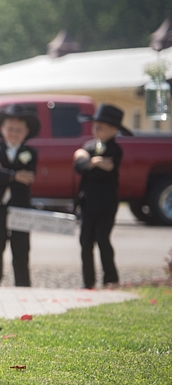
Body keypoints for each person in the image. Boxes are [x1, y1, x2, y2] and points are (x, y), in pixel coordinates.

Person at [0, 104, 40, 287]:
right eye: (10, 129)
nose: (14, 133)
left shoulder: (30, 153)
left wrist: (4, 173)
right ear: (2, 129)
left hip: (20, 204)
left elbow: (28, 177)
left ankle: (22, 283)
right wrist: (15, 175)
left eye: (18, 130)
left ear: (26, 132)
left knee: (21, 245)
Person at [74, 104, 131, 289]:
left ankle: (110, 278)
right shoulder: (89, 146)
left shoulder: (115, 149)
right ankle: (88, 281)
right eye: (95, 125)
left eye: (102, 127)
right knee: (85, 241)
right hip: (87, 202)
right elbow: (78, 167)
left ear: (114, 130)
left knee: (102, 239)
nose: (96, 130)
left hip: (106, 203)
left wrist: (87, 161)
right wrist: (93, 162)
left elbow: (103, 172)